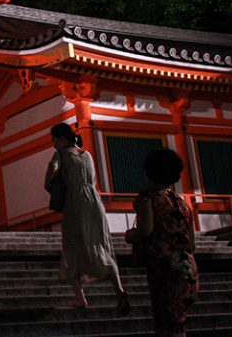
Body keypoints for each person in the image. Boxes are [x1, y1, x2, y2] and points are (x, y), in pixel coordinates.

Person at [45, 122, 130, 315]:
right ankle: (119, 291)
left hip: (75, 202)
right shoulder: (87, 155)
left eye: (54, 140)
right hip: (94, 201)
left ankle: (80, 298)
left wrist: (49, 183)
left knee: (72, 245)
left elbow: (52, 170)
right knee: (100, 243)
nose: (53, 144)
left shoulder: (61, 155)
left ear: (62, 139)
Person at [124, 148, 199, 337]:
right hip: (188, 267)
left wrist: (129, 235)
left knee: (164, 321)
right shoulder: (182, 203)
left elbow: (145, 230)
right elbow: (192, 242)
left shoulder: (148, 200)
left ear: (149, 173)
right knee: (178, 322)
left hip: (165, 267)